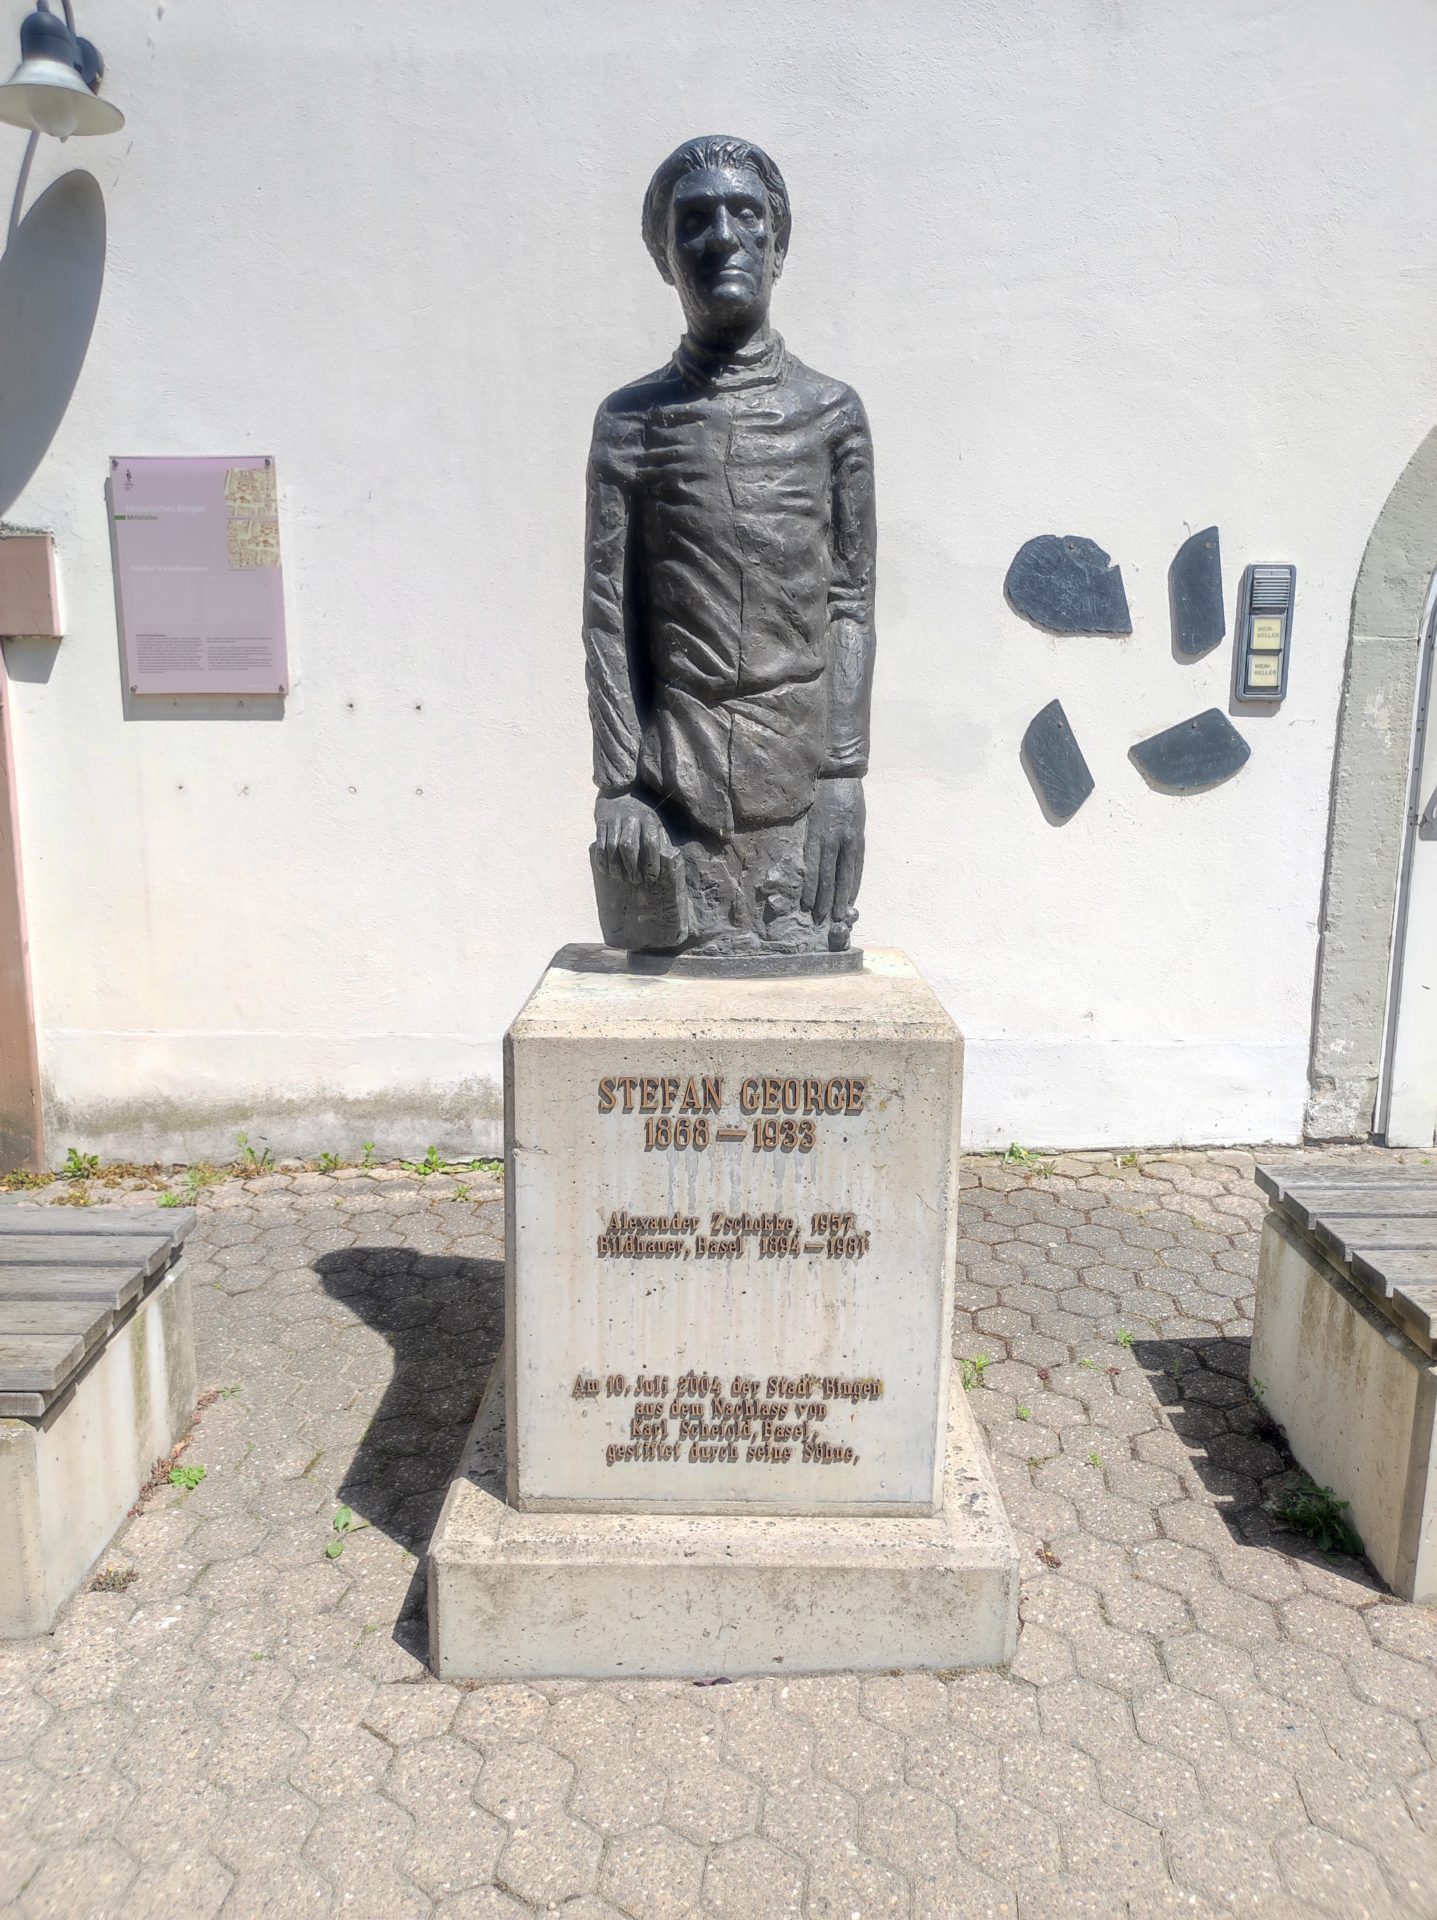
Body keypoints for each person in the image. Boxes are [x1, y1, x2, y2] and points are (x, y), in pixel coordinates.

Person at [584, 135, 876, 959]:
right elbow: (608, 616)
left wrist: (844, 779)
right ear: (663, 254)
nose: (722, 237)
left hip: (801, 784)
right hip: (676, 784)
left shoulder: (830, 414)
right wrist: (622, 786)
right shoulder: (631, 421)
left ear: (778, 243)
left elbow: (850, 603)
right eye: (694, 220)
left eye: (745, 213)